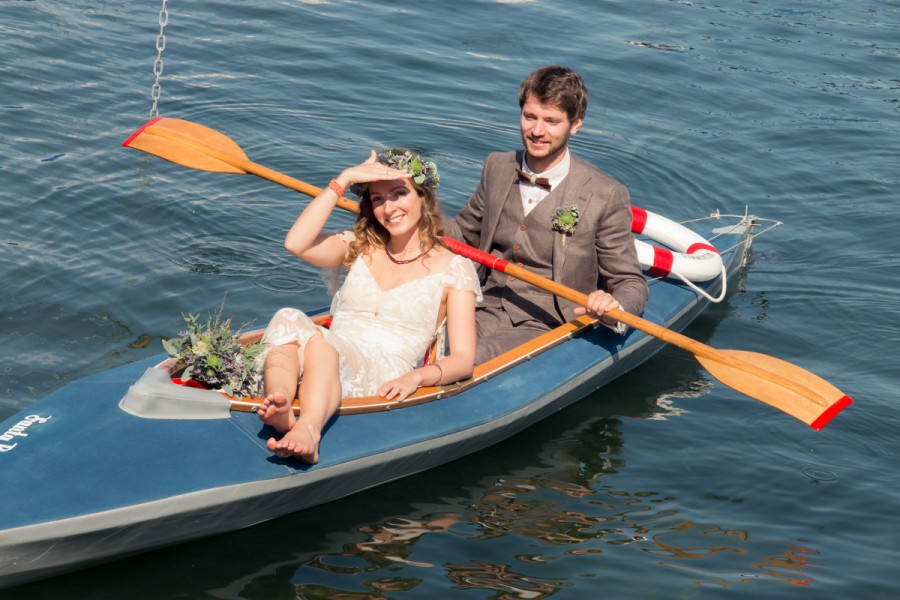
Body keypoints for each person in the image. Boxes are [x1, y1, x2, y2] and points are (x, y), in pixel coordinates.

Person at [257, 149, 482, 463]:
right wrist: (344, 179)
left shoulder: (454, 269)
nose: (389, 208)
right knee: (287, 316)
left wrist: (416, 378)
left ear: (422, 197)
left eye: (399, 194)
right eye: (377, 199)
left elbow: (462, 359)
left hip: (383, 370)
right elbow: (297, 243)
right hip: (336, 346)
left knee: (321, 343)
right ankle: (278, 403)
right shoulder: (358, 245)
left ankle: (309, 429)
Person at [444, 65, 649, 363]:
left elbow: (631, 282)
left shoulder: (605, 194)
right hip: (481, 302)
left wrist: (612, 303)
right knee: (417, 343)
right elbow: (463, 233)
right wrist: (406, 220)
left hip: (545, 322)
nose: (537, 131)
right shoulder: (497, 167)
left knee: (464, 359)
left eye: (551, 121)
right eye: (530, 117)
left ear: (575, 124)